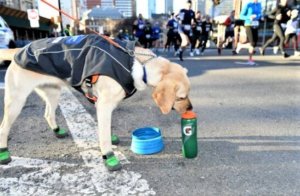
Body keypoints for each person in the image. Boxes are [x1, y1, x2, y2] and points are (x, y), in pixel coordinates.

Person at [237, 0, 262, 65]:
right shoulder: (248, 4)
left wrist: (258, 16)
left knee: (255, 42)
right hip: (248, 24)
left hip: (255, 24)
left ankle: (241, 45)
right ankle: (250, 60)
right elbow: (241, 16)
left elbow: (260, 14)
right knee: (252, 42)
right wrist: (249, 17)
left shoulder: (259, 5)